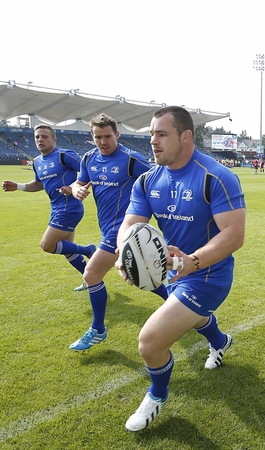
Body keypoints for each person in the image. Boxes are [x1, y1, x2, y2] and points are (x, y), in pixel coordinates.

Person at [118, 106, 246, 432]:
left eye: (161, 134)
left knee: (150, 341)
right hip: (172, 272)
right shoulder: (148, 180)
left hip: (208, 275)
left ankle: (157, 395)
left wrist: (194, 261)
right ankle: (220, 341)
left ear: (185, 136)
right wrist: (125, 252)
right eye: (151, 134)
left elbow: (234, 234)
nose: (153, 141)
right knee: (191, 316)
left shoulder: (216, 176)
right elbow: (131, 224)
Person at [67, 113, 167, 351]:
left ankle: (98, 329)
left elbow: (159, 177)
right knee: (141, 273)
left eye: (107, 136)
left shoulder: (132, 160)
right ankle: (178, 304)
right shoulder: (89, 158)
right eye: (98, 137)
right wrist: (75, 191)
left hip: (124, 229)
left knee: (91, 275)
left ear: (117, 135)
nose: (103, 142)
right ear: (92, 137)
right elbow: (77, 183)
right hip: (106, 228)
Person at [1, 124, 95, 291]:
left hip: (70, 207)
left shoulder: (64, 155)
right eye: (37, 137)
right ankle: (90, 280)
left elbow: (88, 171)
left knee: (47, 245)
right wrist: (19, 186)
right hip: (56, 208)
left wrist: (73, 186)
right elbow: (38, 184)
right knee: (67, 250)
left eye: (44, 136)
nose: (40, 140)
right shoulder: (37, 162)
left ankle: (88, 250)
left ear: (54, 139)